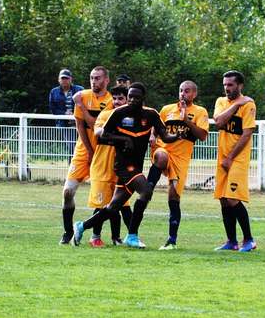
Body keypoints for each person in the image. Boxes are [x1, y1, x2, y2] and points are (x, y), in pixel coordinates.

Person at [73, 82, 179, 249]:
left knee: (113, 207)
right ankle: (132, 235)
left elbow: (165, 136)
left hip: (136, 165)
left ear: (143, 98)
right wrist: (124, 139)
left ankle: (81, 226)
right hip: (123, 165)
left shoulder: (151, 114)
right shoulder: (119, 113)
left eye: (136, 97)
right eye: (130, 96)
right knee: (146, 191)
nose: (132, 100)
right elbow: (103, 135)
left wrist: (177, 136)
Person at [148, 80, 209, 250]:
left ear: (194, 94)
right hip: (164, 150)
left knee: (174, 197)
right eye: (181, 90)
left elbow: (203, 136)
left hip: (181, 159)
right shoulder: (167, 109)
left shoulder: (200, 112)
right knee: (161, 156)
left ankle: (172, 240)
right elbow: (156, 126)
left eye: (187, 91)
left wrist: (186, 119)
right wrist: (152, 135)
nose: (183, 93)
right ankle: (148, 188)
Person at [59, 66, 111, 244]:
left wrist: (80, 105)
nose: (93, 81)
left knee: (100, 197)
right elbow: (80, 125)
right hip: (83, 152)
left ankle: (95, 236)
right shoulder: (84, 96)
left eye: (97, 78)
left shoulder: (110, 101)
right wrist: (88, 150)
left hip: (102, 153)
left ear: (106, 80)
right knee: (67, 192)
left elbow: (96, 124)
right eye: (91, 78)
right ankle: (68, 232)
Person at [213, 71, 257, 252]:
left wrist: (230, 157)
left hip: (237, 159)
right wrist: (237, 104)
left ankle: (249, 240)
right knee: (223, 199)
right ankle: (231, 241)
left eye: (230, 85)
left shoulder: (249, 105)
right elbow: (218, 122)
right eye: (225, 85)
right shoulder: (221, 101)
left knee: (232, 198)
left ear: (240, 86)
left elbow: (247, 134)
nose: (226, 88)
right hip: (223, 157)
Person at [85, 85, 130, 247]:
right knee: (101, 205)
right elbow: (98, 132)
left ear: (128, 100)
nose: (117, 101)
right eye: (115, 98)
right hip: (102, 167)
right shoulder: (105, 114)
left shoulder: (131, 118)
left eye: (121, 98)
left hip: (120, 169)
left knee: (120, 206)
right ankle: (95, 236)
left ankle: (119, 238)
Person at [49, 69, 84, 158]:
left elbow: (85, 105)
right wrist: (65, 113)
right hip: (64, 124)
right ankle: (72, 165)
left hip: (80, 122)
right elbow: (53, 109)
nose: (64, 80)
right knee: (71, 146)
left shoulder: (79, 90)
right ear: (59, 79)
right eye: (62, 78)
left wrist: (75, 112)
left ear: (71, 79)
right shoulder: (54, 92)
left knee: (82, 146)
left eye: (66, 78)